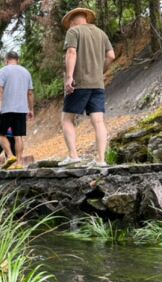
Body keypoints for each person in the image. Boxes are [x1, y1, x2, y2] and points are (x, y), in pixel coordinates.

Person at [58, 8, 116, 167]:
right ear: (86, 18)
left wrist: (70, 77)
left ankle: (73, 156)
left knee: (67, 119)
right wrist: (100, 71)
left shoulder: (73, 31)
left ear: (71, 22)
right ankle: (101, 159)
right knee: (98, 121)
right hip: (98, 84)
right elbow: (111, 56)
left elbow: (71, 52)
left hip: (79, 83)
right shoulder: (101, 33)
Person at [0, 50, 34, 169]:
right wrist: (31, 109)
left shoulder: (3, 71)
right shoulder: (26, 72)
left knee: (1, 134)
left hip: (6, 109)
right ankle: (19, 163)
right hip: (22, 109)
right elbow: (30, 93)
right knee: (18, 136)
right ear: (18, 60)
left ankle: (10, 156)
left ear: (6, 60)